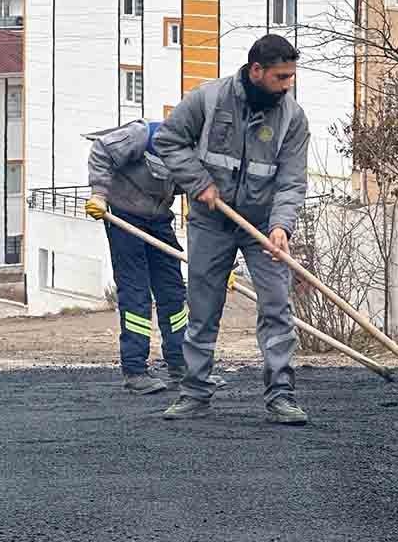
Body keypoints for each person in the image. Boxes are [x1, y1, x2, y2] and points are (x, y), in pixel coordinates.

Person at [152, 34, 311, 425]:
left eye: (291, 76)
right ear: (256, 70)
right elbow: (169, 141)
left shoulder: (292, 118)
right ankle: (194, 392)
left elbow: (292, 181)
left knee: (276, 306)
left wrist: (281, 227)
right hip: (211, 221)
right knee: (203, 308)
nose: (288, 84)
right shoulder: (208, 99)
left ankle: (281, 396)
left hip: (261, 226)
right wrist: (198, 182)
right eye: (281, 76)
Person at [84, 120, 227, 395]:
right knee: (136, 293)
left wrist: (216, 255)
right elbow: (101, 150)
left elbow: (200, 198)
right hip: (123, 216)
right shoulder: (143, 135)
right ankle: (136, 370)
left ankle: (182, 364)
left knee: (173, 292)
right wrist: (99, 195)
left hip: (158, 219)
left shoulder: (196, 156)